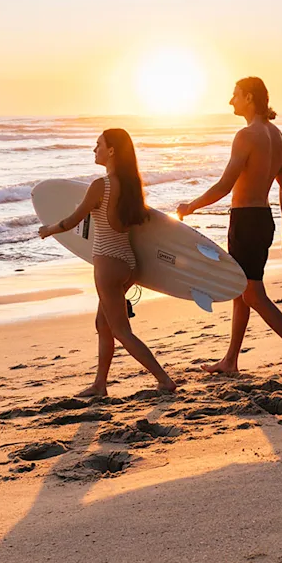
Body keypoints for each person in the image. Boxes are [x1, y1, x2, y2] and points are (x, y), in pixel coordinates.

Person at [177, 77, 282, 376]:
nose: (231, 101)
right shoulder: (277, 136)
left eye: (235, 95)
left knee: (252, 294)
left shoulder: (246, 135)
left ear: (250, 98)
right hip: (263, 220)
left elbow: (225, 185)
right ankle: (230, 361)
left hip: (245, 221)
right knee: (240, 291)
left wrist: (191, 206)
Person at [39, 129, 178, 396]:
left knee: (121, 331)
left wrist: (50, 229)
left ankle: (164, 380)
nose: (95, 149)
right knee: (103, 325)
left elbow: (72, 220)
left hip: (107, 265)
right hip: (128, 263)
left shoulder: (100, 186)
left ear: (112, 150)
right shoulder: (132, 186)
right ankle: (100, 384)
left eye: (98, 144)